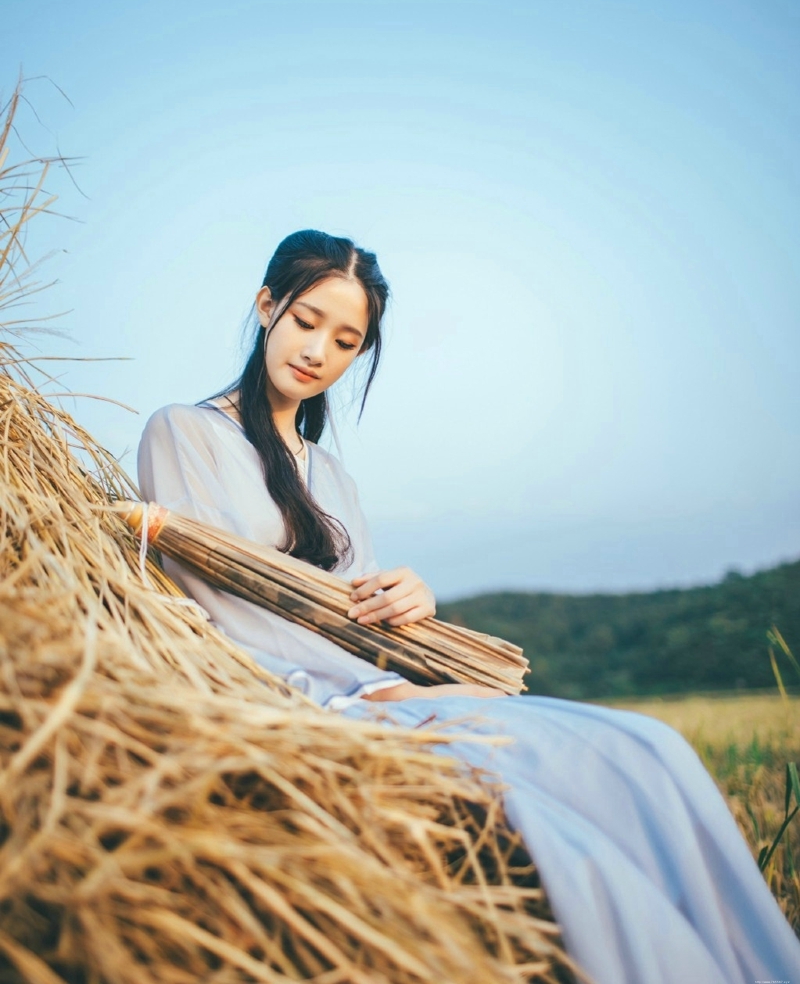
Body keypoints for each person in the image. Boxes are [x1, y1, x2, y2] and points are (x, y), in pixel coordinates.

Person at [138, 229, 800, 984]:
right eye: (306, 320)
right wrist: (372, 691)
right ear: (267, 307)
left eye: (346, 340)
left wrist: (412, 604)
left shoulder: (332, 475)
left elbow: (362, 616)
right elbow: (217, 609)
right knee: (566, 836)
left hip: (389, 690)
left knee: (650, 751)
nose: (319, 350)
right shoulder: (183, 431)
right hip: (321, 708)